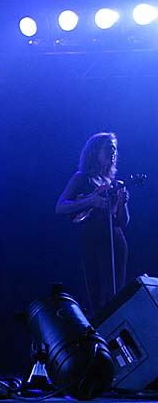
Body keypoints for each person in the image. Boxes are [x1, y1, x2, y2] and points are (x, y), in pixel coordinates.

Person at [55, 132, 130, 315]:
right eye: (108, 148)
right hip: (92, 241)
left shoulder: (114, 183)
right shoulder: (82, 178)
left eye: (115, 149)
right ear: (95, 151)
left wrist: (122, 202)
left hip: (115, 241)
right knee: (96, 296)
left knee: (116, 294)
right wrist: (90, 201)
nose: (113, 152)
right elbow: (60, 207)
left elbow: (123, 222)